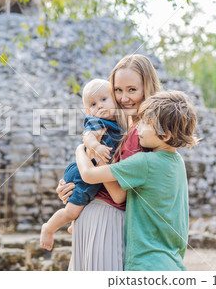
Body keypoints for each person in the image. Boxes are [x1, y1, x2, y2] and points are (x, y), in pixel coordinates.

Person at [57, 54, 161, 271]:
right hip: (96, 217)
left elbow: (118, 194)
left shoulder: (142, 134)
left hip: (107, 219)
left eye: (132, 90)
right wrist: (72, 184)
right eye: (118, 90)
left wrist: (83, 155)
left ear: (147, 88)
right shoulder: (119, 127)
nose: (123, 98)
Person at [75, 90, 200, 270]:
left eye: (145, 124)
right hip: (172, 261)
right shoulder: (177, 162)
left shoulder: (145, 162)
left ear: (165, 135)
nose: (138, 129)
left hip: (145, 262)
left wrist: (80, 149)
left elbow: (88, 175)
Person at [40, 79, 123, 251]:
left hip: (91, 170)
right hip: (82, 172)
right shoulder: (97, 122)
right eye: (93, 104)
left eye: (104, 100)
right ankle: (49, 228)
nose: (99, 106)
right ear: (87, 111)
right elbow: (88, 137)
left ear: (114, 99)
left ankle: (73, 223)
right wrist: (96, 146)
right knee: (71, 210)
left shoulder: (119, 124)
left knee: (80, 204)